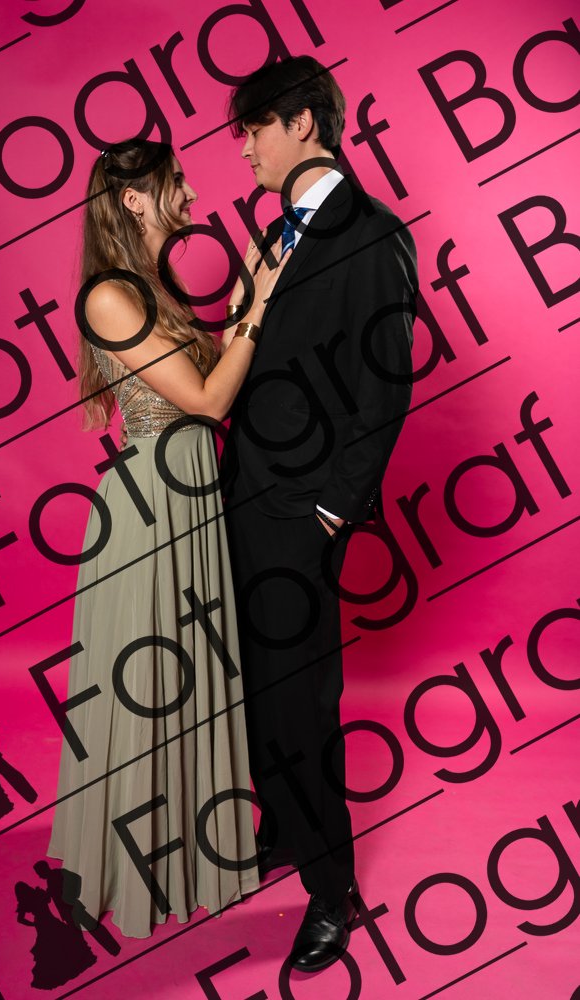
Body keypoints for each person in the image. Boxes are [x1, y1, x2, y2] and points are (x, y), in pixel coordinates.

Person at [48, 137, 289, 938]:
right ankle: (134, 864)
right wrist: (259, 298)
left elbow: (217, 376)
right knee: (150, 683)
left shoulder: (155, 285)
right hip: (150, 510)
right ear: (133, 199)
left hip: (190, 501)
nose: (189, 192)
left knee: (186, 679)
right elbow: (207, 400)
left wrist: (249, 290)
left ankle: (185, 851)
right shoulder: (109, 297)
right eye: (173, 181)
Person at [222, 56, 418, 971]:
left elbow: (385, 386)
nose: (244, 149)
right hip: (240, 495)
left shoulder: (371, 234)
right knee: (253, 683)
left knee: (298, 697)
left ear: (301, 122)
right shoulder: (275, 232)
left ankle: (331, 890)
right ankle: (281, 828)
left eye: (254, 128)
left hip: (300, 511)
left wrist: (331, 511)